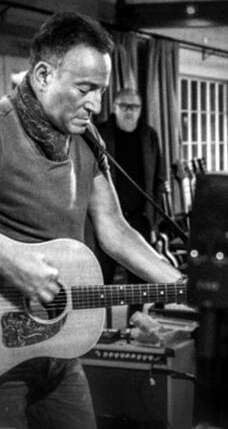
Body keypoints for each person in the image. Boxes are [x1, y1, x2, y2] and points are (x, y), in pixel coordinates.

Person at [0, 12, 182, 429]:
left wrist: (181, 286)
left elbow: (114, 228)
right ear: (44, 75)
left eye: (101, 91)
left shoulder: (84, 135)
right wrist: (10, 259)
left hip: (57, 349)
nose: (96, 105)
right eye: (85, 89)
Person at [94, 89, 165, 301]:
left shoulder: (149, 135)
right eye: (124, 106)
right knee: (100, 281)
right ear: (114, 107)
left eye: (134, 107)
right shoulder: (99, 133)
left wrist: (153, 221)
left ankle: (134, 328)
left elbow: (158, 179)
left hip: (139, 219)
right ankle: (102, 330)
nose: (129, 112)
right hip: (105, 220)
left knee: (139, 284)